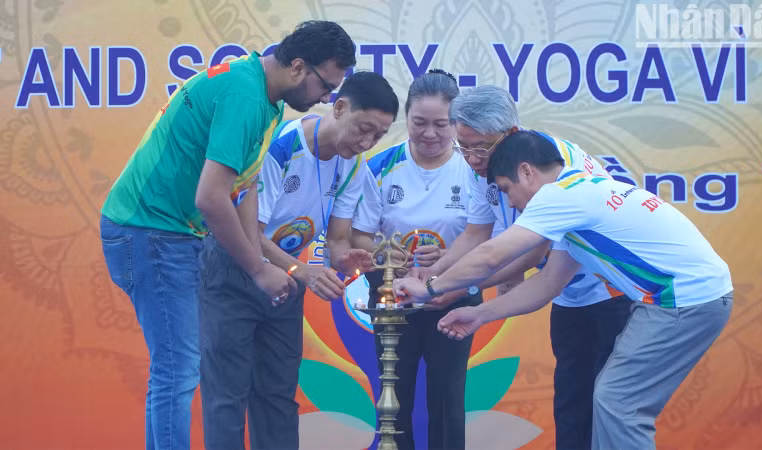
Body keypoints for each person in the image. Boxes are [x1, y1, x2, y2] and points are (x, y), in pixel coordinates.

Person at [99, 20, 356, 450]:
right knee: (178, 370)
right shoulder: (245, 96)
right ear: (297, 67)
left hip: (171, 233)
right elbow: (211, 198)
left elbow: (245, 185)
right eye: (325, 86)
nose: (327, 99)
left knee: (179, 368)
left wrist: (263, 256)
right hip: (149, 231)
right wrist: (257, 269)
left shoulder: (265, 96)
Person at [395, 130, 734, 450]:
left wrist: (429, 287)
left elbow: (492, 254)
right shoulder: (580, 196)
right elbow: (547, 283)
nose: (511, 204)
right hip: (687, 297)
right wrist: (479, 313)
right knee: (610, 398)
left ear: (526, 172)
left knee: (618, 402)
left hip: (684, 300)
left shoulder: (560, 197)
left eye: (506, 189)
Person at [410, 85, 631, 449]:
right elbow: (475, 235)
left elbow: (528, 253)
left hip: (611, 290)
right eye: (463, 147)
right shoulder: (482, 165)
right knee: (571, 404)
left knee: (609, 406)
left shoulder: (552, 167)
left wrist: (451, 286)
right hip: (568, 294)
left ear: (510, 133)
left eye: (480, 147)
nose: (472, 159)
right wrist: (436, 277)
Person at [198, 71, 399, 450]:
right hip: (234, 267)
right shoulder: (281, 146)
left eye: (378, 136)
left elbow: (337, 242)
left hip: (286, 277)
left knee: (277, 395)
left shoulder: (354, 164)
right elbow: (249, 234)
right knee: (227, 396)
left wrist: (346, 259)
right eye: (364, 129)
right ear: (339, 108)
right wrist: (301, 270)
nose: (367, 142)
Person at [350, 69, 480, 450]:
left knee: (447, 397)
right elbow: (357, 236)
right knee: (394, 397)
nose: (429, 134)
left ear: (457, 124)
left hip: (452, 296)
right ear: (404, 118)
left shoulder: (474, 169)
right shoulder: (380, 167)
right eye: (419, 122)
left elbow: (486, 238)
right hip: (394, 297)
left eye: (442, 124)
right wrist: (383, 253)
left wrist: (447, 260)